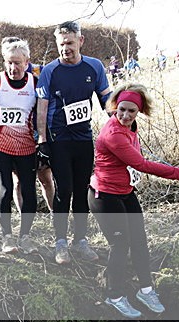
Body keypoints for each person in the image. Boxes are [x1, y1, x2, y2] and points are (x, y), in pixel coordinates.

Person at [89, 84, 179, 318]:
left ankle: (146, 290)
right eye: (121, 109)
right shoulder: (113, 134)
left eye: (131, 111)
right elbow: (142, 165)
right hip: (105, 196)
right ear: (114, 107)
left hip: (125, 192)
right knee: (120, 245)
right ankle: (114, 296)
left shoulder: (131, 126)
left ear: (138, 112)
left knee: (139, 241)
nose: (125, 115)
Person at [36, 21, 112, 264]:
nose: (65, 49)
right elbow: (42, 107)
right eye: (61, 44)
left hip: (83, 139)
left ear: (81, 41)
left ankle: (80, 240)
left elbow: (106, 99)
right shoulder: (50, 71)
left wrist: (121, 124)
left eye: (69, 43)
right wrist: (42, 139)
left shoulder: (95, 66)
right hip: (58, 139)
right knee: (64, 189)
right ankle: (61, 243)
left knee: (82, 190)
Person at [0, 39, 40, 254]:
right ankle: (7, 237)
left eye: (17, 63)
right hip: (0, 145)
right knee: (5, 190)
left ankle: (25, 236)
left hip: (26, 147)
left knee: (30, 192)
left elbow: (43, 115)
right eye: (9, 63)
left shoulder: (35, 83)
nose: (13, 68)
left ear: (27, 62)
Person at [1, 36, 55, 214]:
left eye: (17, 60)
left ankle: (56, 215)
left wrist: (43, 136)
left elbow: (47, 105)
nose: (13, 66)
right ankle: (25, 220)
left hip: (36, 136)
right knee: (18, 182)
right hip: (14, 139)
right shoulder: (1, 79)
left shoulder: (38, 75)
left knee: (45, 178)